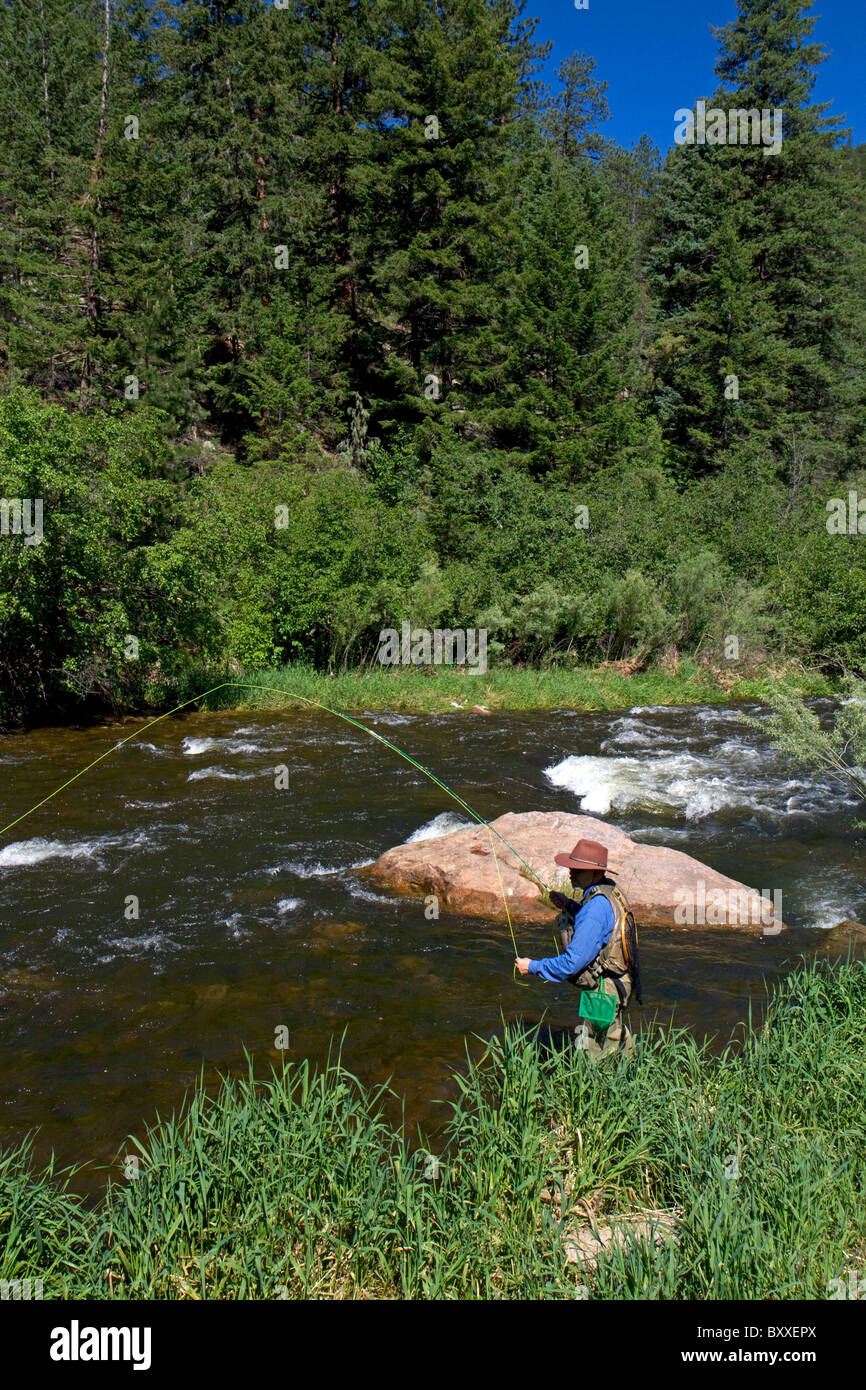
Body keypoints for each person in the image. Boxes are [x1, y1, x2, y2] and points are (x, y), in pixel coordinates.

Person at [515, 838, 641, 1057]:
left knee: (594, 1053)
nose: (571, 872)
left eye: (579, 869)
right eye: (572, 867)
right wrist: (569, 905)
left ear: (596, 874)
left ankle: (601, 1088)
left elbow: (572, 963)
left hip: (605, 990)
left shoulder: (595, 908)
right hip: (619, 982)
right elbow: (601, 926)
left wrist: (533, 966)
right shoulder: (608, 891)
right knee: (614, 1039)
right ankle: (633, 1075)